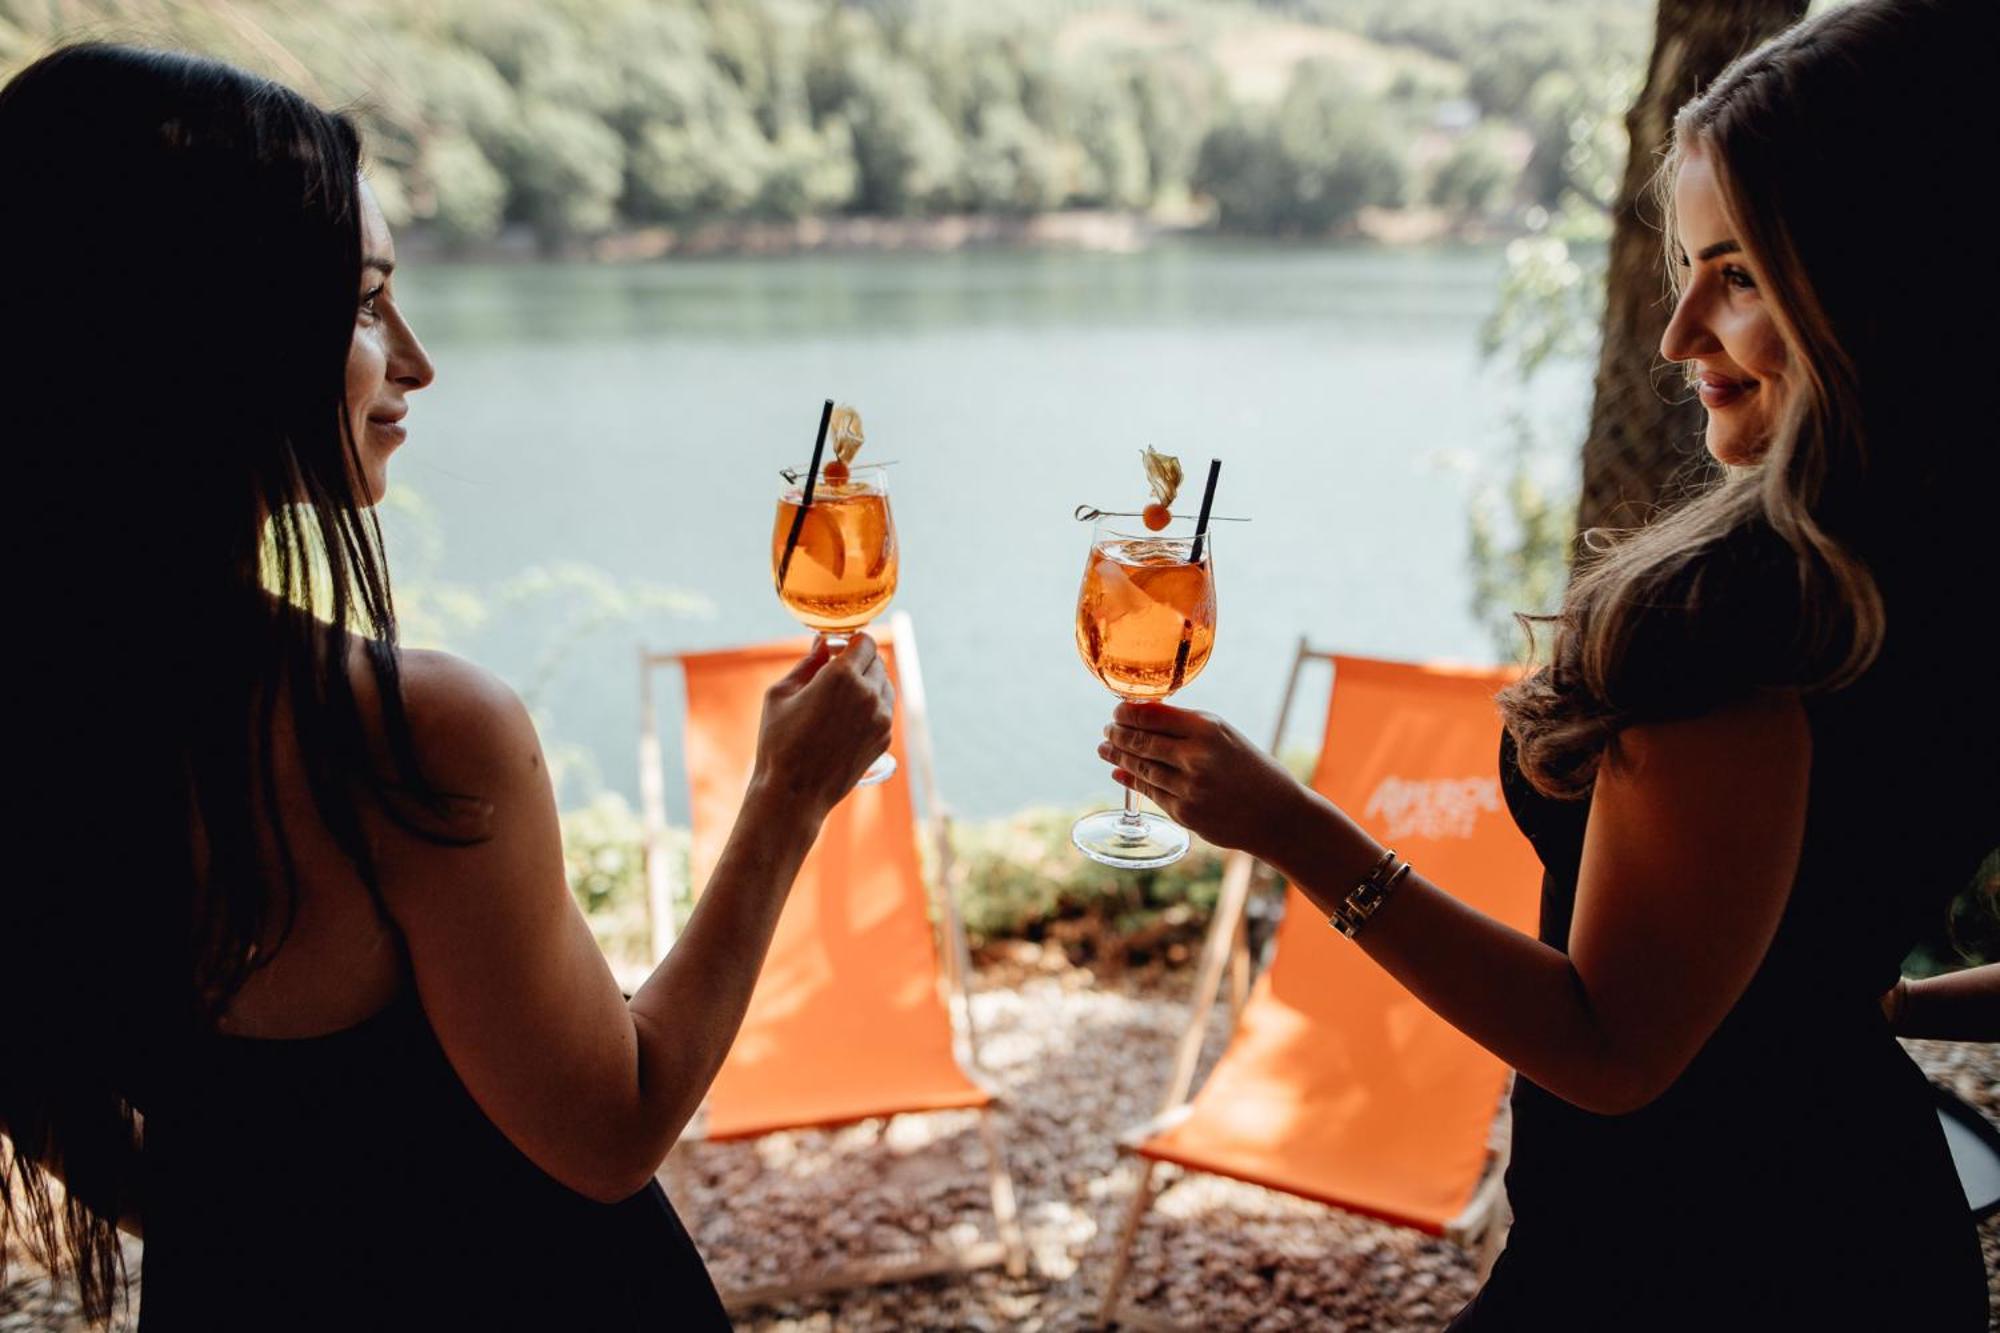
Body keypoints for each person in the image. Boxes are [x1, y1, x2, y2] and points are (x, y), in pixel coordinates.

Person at [1097, 2, 1999, 1327]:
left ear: (1876, 279)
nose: (1677, 330)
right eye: (1688, 263)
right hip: (1887, 1249)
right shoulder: (1960, 562)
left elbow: (1610, 1048)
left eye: (1739, 274)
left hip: (1681, 1256)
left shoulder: (1733, 625)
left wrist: (1288, 827)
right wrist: (1863, 997)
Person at [0, 44, 893, 1330]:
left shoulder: (41, 714)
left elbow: (104, 1146)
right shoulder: (404, 739)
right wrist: (786, 800)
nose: (414, 364)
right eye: (363, 306)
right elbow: (611, 1129)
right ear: (203, 333)